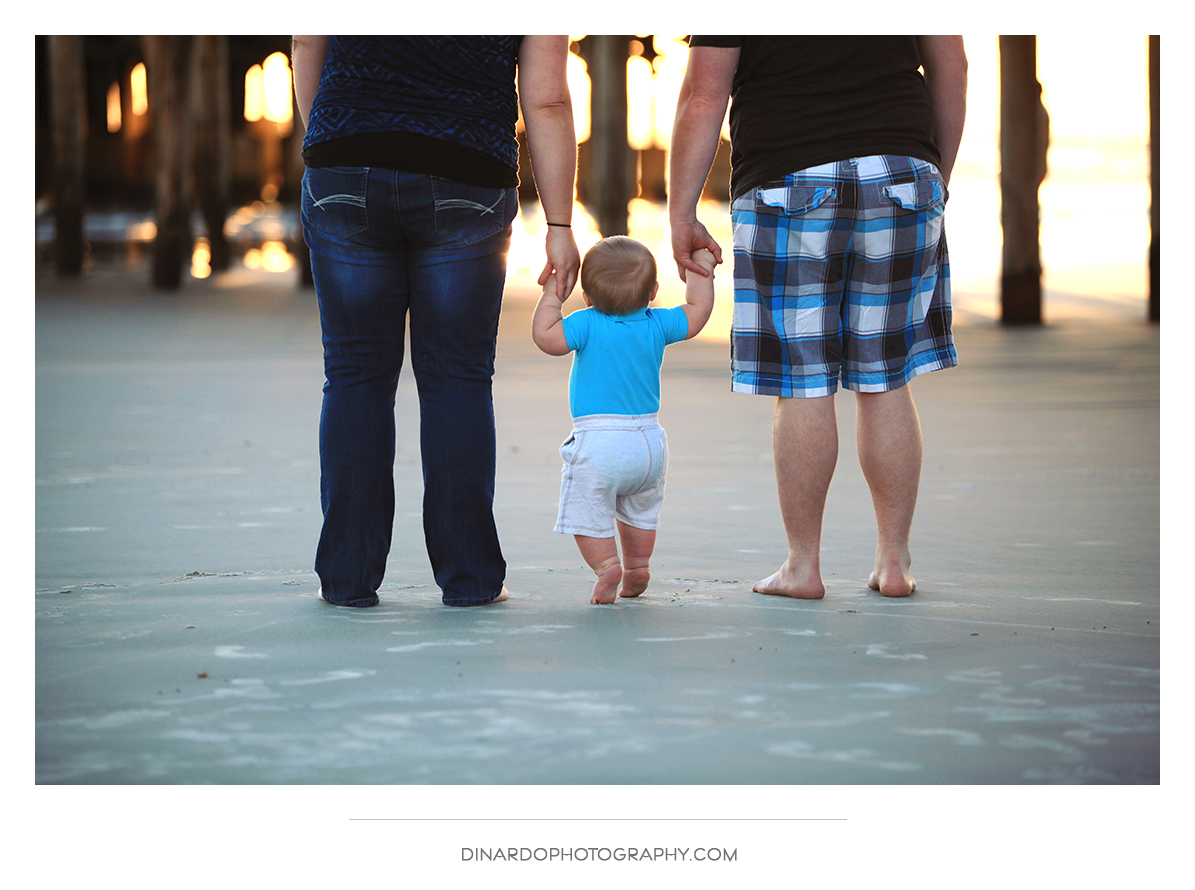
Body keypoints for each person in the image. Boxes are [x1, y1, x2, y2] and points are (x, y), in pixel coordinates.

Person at [668, 36, 967, 600]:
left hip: (787, 176)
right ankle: (894, 562)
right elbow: (952, 64)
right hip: (901, 168)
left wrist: (681, 212)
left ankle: (803, 567)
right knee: (886, 378)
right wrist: (932, 175)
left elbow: (704, 95)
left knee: (802, 382)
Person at [291, 36, 580, 607]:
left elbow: (306, 40)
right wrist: (561, 224)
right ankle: (469, 578)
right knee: (457, 378)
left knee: (354, 375)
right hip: (466, 172)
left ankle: (347, 578)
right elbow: (546, 101)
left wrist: (329, 137)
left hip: (345, 162)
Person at [531, 237, 716, 604]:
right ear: (654, 292)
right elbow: (697, 311)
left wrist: (552, 292)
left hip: (600, 441)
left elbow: (546, 337)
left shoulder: (586, 323)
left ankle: (606, 567)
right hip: (648, 443)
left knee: (586, 510)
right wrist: (702, 272)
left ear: (585, 296)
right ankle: (637, 567)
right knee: (640, 510)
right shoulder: (658, 323)